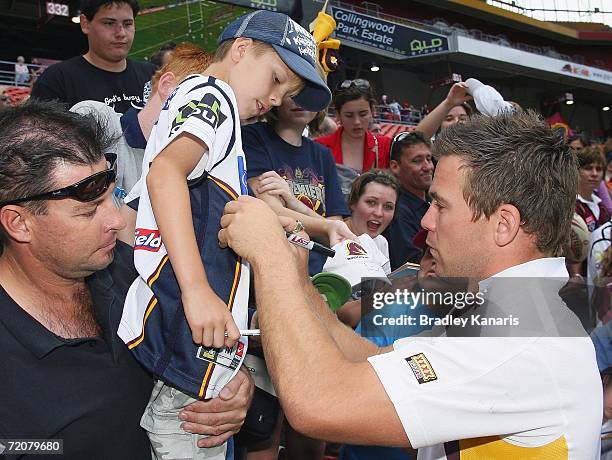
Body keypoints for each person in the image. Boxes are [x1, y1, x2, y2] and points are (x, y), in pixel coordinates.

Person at [218, 110, 602, 458]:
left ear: (503, 223)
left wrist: (270, 258)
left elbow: (318, 402)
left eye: (441, 205)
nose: (425, 222)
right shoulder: (517, 314)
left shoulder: (517, 341)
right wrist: (299, 280)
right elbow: (371, 360)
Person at [119, 10, 331, 459]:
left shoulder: (220, 114)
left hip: (188, 327)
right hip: (184, 323)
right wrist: (196, 290)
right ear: (239, 50)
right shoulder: (214, 97)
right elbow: (164, 175)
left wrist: (294, 222)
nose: (275, 100)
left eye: (286, 93)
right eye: (275, 79)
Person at [0, 100, 254, 459]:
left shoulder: (139, 273)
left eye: (113, 198)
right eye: (88, 211)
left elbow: (197, 343)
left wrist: (232, 386)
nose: (117, 221)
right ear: (19, 223)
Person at [71, 43, 212, 204]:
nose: (210, 116)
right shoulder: (98, 119)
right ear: (167, 86)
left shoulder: (189, 166)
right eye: (203, 100)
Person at [243, 95, 348, 276]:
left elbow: (336, 230)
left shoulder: (323, 155)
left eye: (308, 93)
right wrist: (326, 226)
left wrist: (294, 202)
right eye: (293, 93)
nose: (300, 101)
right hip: (276, 270)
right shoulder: (253, 137)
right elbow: (273, 211)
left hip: (322, 274)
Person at [31, 0, 155, 113]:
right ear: (85, 24)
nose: (121, 33)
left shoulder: (153, 75)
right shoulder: (56, 80)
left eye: (127, 24)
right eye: (109, 23)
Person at [315, 79, 392, 199]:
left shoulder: (385, 145)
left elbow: (417, 138)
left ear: (373, 111)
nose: (357, 122)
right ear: (338, 115)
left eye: (363, 114)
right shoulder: (319, 147)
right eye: (349, 115)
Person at [384, 131, 434, 270]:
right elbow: (411, 267)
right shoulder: (396, 210)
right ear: (395, 166)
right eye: (417, 161)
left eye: (429, 159)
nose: (427, 167)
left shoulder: (433, 202)